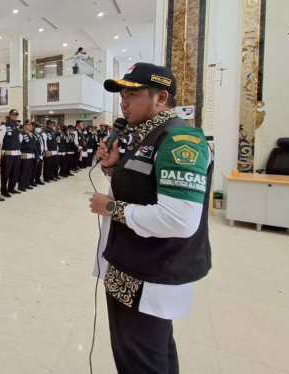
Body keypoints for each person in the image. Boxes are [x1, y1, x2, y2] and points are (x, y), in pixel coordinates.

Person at [90, 62, 212, 373]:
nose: (123, 102)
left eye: (132, 94)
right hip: (132, 265)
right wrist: (112, 167)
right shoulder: (146, 137)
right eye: (121, 96)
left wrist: (110, 208)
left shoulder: (179, 139)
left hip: (150, 271)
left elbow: (180, 220)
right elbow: (142, 189)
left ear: (160, 98)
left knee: (141, 360)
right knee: (151, 352)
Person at [0, 109, 23, 197]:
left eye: (16, 115)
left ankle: (11, 188)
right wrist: (0, 152)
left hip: (16, 153)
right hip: (8, 153)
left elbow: (19, 138)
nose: (15, 116)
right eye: (13, 115)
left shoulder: (17, 126)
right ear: (9, 115)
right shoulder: (4, 126)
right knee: (6, 173)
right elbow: (0, 139)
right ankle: (4, 190)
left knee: (15, 172)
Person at [17, 120, 36, 192]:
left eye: (31, 125)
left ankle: (26, 183)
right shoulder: (21, 134)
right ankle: (21, 185)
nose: (31, 126)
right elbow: (19, 145)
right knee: (23, 170)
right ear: (24, 125)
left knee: (29, 170)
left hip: (31, 154)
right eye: (28, 125)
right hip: (25, 154)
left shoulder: (31, 134)